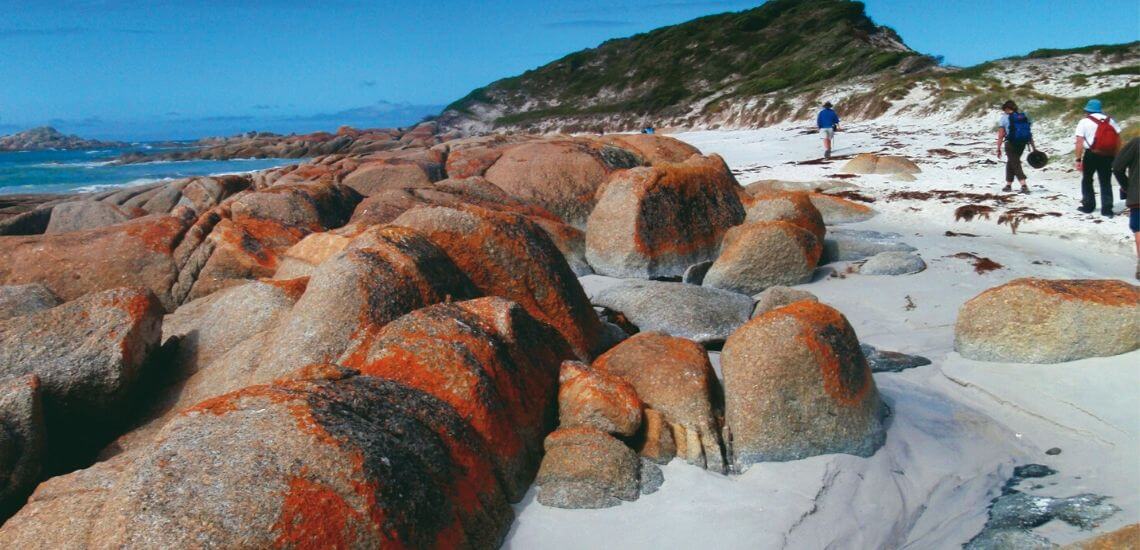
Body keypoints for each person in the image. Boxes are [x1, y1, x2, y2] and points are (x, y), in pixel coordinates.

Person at [1073, 99, 1122, 217]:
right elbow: (1118, 140)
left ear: (1088, 110)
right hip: (1108, 155)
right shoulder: (1110, 121)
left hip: (1091, 154)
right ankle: (1107, 209)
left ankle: (1088, 206)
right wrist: (1116, 155)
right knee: (1105, 181)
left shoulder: (1084, 122)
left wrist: (1078, 159)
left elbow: (1079, 142)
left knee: (1087, 179)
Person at [1112, 137, 1139, 279]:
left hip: (1137, 194)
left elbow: (1117, 167)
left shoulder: (1136, 143)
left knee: (1139, 228)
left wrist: (1128, 187)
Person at [996, 100, 1033, 194]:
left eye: (1005, 110)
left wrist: (998, 148)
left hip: (1011, 143)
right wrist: (1033, 146)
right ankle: (1008, 185)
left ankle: (1023, 185)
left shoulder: (1004, 118)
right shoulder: (1024, 116)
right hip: (1022, 143)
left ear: (1007, 109)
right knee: (1011, 161)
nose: (1004, 112)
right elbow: (1029, 132)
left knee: (1015, 163)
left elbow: (1001, 135)